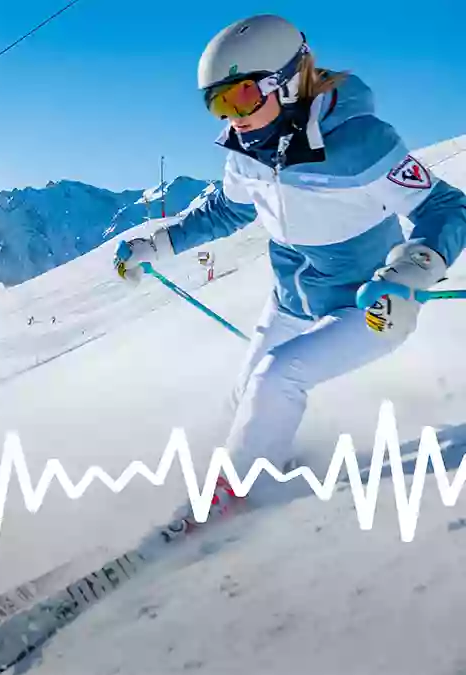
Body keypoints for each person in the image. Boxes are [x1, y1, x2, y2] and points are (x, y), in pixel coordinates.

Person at [113, 15, 466, 525]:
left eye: (240, 97)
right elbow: (227, 209)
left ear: (287, 80)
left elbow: (445, 209)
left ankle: (225, 506)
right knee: (244, 396)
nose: (231, 117)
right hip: (291, 301)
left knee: (278, 377)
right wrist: (156, 243)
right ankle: (248, 467)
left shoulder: (359, 143)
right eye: (217, 104)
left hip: (369, 307)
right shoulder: (248, 150)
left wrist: (410, 276)